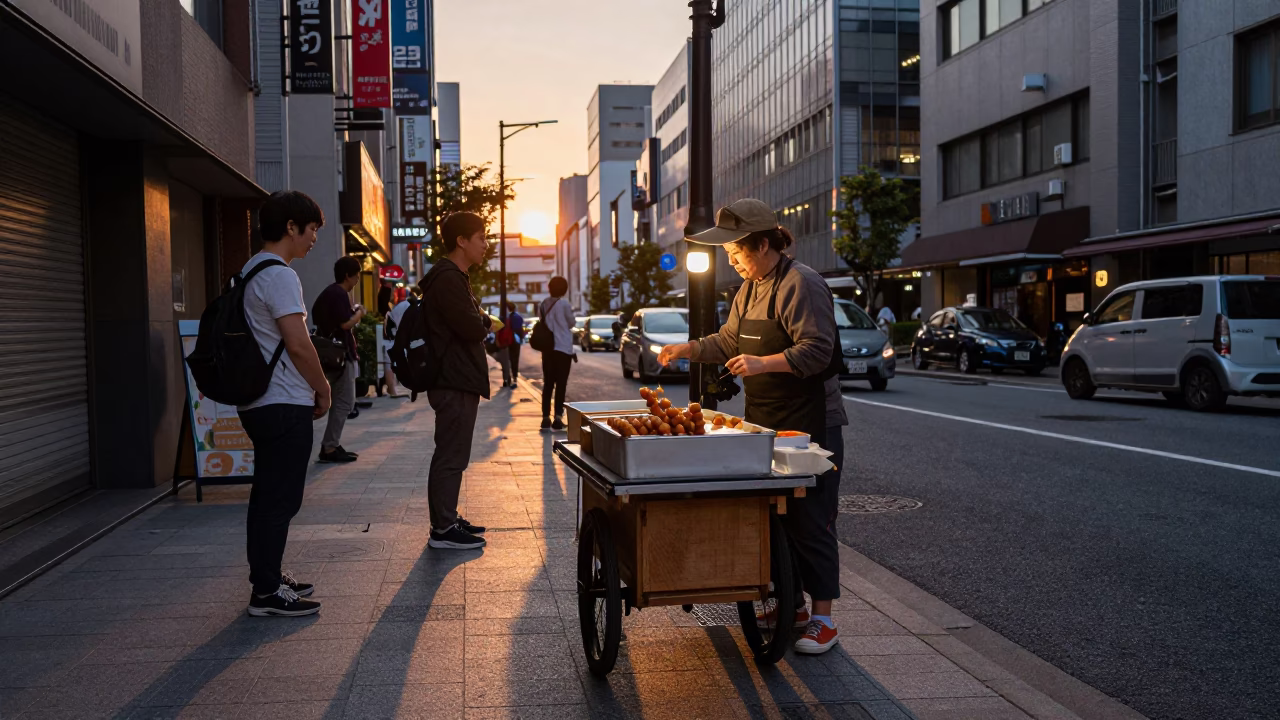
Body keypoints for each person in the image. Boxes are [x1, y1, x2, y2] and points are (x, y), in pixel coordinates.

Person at [658, 198, 846, 655]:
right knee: (771, 516)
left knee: (810, 518)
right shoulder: (748, 289)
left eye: (737, 252)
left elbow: (818, 349)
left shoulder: (802, 283)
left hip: (811, 421)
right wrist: (687, 350)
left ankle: (823, 619)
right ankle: (793, 607)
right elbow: (727, 340)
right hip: (766, 419)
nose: (732, 260)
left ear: (764, 245)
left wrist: (764, 362)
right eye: (728, 254)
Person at [238, 190, 331, 617]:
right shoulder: (278, 275)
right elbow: (297, 343)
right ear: (290, 227)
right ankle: (267, 592)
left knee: (267, 495)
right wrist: (323, 387)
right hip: (282, 402)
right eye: (311, 229)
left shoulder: (246, 272)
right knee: (281, 499)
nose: (313, 237)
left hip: (258, 401)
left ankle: (268, 575)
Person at [420, 212, 491, 549]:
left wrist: (479, 319)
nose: (486, 245)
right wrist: (484, 321)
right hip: (454, 378)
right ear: (462, 241)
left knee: (454, 452)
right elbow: (473, 327)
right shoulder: (448, 278)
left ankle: (447, 516)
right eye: (481, 238)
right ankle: (443, 529)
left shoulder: (452, 276)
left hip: (455, 376)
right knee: (451, 453)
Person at [311, 256, 365, 463]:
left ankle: (330, 445)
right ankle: (330, 447)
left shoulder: (329, 293)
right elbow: (345, 324)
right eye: (357, 275)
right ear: (347, 276)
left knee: (335, 400)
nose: (358, 279)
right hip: (340, 355)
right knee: (344, 401)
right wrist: (359, 314)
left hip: (331, 354)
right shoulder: (338, 293)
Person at [538, 276, 577, 431]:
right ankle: (558, 417)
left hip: (548, 349)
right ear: (564, 289)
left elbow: (542, 322)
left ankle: (545, 417)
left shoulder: (543, 305)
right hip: (563, 349)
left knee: (548, 383)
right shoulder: (565, 304)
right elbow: (572, 323)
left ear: (550, 288)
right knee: (561, 384)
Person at [506, 302, 524, 389]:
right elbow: (520, 330)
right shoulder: (518, 317)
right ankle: (515, 378)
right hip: (516, 341)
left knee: (507, 359)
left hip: (507, 340)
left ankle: (507, 378)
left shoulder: (506, 317)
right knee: (515, 359)